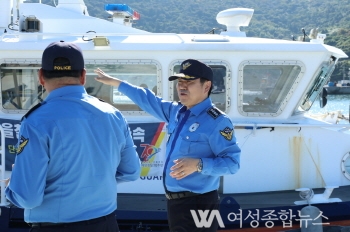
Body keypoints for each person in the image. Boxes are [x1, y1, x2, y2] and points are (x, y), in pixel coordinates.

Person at [5, 41, 141, 232]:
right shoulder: (113, 114)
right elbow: (132, 171)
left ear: (41, 76)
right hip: (107, 224)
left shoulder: (36, 121)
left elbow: (28, 197)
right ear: (84, 76)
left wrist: (12, 188)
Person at [94, 59, 241, 232]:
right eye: (180, 82)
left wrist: (198, 164)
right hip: (176, 203)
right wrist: (117, 83)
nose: (182, 87)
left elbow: (232, 164)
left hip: (200, 203)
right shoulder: (176, 112)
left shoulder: (218, 122)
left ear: (206, 86)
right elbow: (147, 99)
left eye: (189, 82)